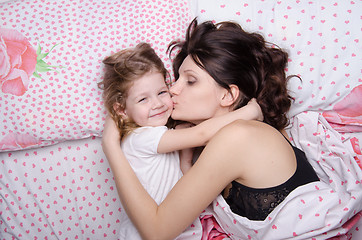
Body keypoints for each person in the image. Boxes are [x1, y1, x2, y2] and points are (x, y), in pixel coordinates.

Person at [101, 19, 320, 240]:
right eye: (176, 79)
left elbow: (157, 232)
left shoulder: (238, 137)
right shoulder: (226, 141)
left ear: (228, 95)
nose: (172, 90)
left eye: (191, 81)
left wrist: (111, 147)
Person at [98, 42, 262, 239]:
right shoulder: (141, 138)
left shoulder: (160, 134)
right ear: (122, 110)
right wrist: (250, 111)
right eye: (143, 100)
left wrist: (185, 156)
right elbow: (201, 134)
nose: (157, 104)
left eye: (161, 92)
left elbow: (185, 179)